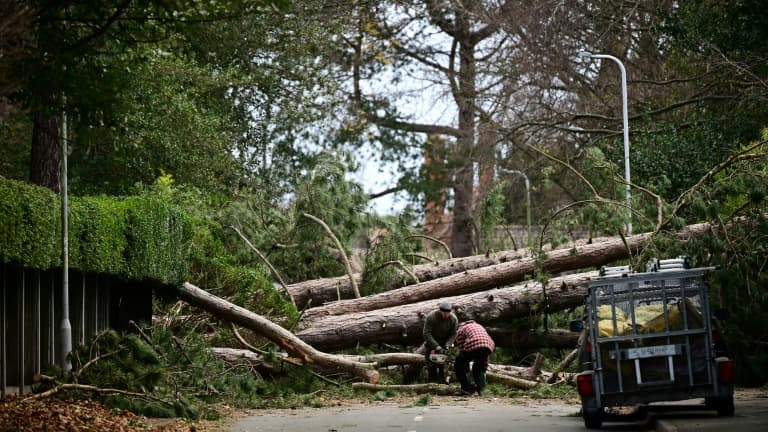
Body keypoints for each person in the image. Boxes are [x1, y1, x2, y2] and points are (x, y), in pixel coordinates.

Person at [404, 302, 458, 383]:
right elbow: (426, 333)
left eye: (447, 313)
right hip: (431, 342)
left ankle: (442, 382)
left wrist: (447, 345)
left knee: (442, 364)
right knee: (431, 364)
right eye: (444, 313)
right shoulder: (432, 317)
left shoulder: (453, 319)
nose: (446, 315)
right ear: (440, 311)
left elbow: (453, 334)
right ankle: (432, 383)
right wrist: (436, 346)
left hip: (444, 343)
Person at [453, 320, 495, 396]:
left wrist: (465, 367)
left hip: (474, 344)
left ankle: (466, 388)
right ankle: (482, 390)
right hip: (488, 345)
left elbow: (462, 349)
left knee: (458, 365)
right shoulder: (479, 326)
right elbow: (484, 341)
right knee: (478, 368)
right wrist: (484, 365)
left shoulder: (460, 330)